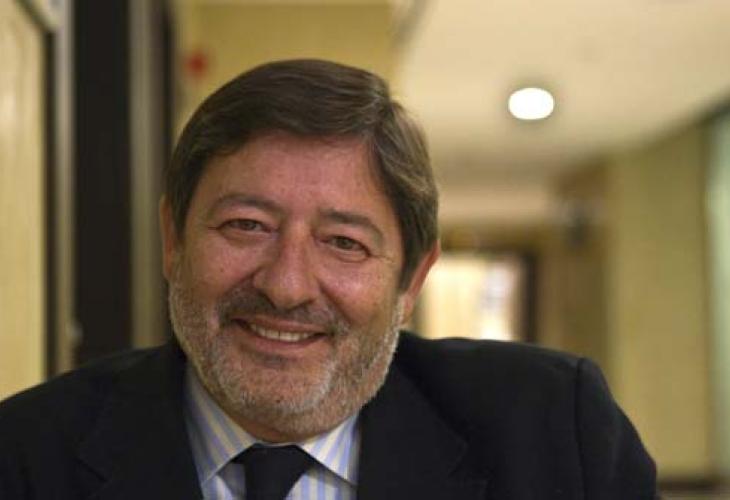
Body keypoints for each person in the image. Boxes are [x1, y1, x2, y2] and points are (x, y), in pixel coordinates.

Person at [0, 59, 656, 499]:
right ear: (174, 241)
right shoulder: (23, 457)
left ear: (411, 280)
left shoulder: (557, 438)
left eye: (344, 243)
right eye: (246, 225)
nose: (286, 286)